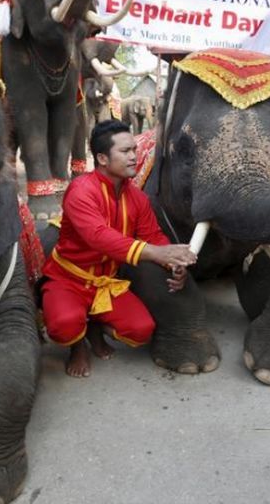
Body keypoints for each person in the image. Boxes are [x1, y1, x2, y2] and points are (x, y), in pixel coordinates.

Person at [41, 121, 197, 378]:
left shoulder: (137, 198)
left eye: (134, 149)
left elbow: (153, 236)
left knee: (141, 330)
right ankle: (77, 346)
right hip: (68, 279)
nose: (134, 156)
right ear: (102, 158)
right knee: (63, 325)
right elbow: (98, 236)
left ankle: (94, 326)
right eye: (125, 151)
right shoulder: (80, 190)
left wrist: (173, 262)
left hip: (106, 282)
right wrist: (156, 253)